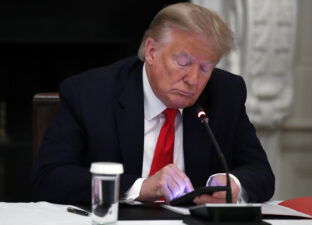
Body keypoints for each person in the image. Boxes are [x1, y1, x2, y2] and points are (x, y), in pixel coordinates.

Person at [31, 2, 274, 205]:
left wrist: (232, 184)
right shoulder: (91, 93)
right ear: (151, 51)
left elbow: (261, 174)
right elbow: (50, 179)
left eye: (205, 67)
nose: (193, 79)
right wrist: (139, 187)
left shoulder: (225, 93)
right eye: (183, 62)